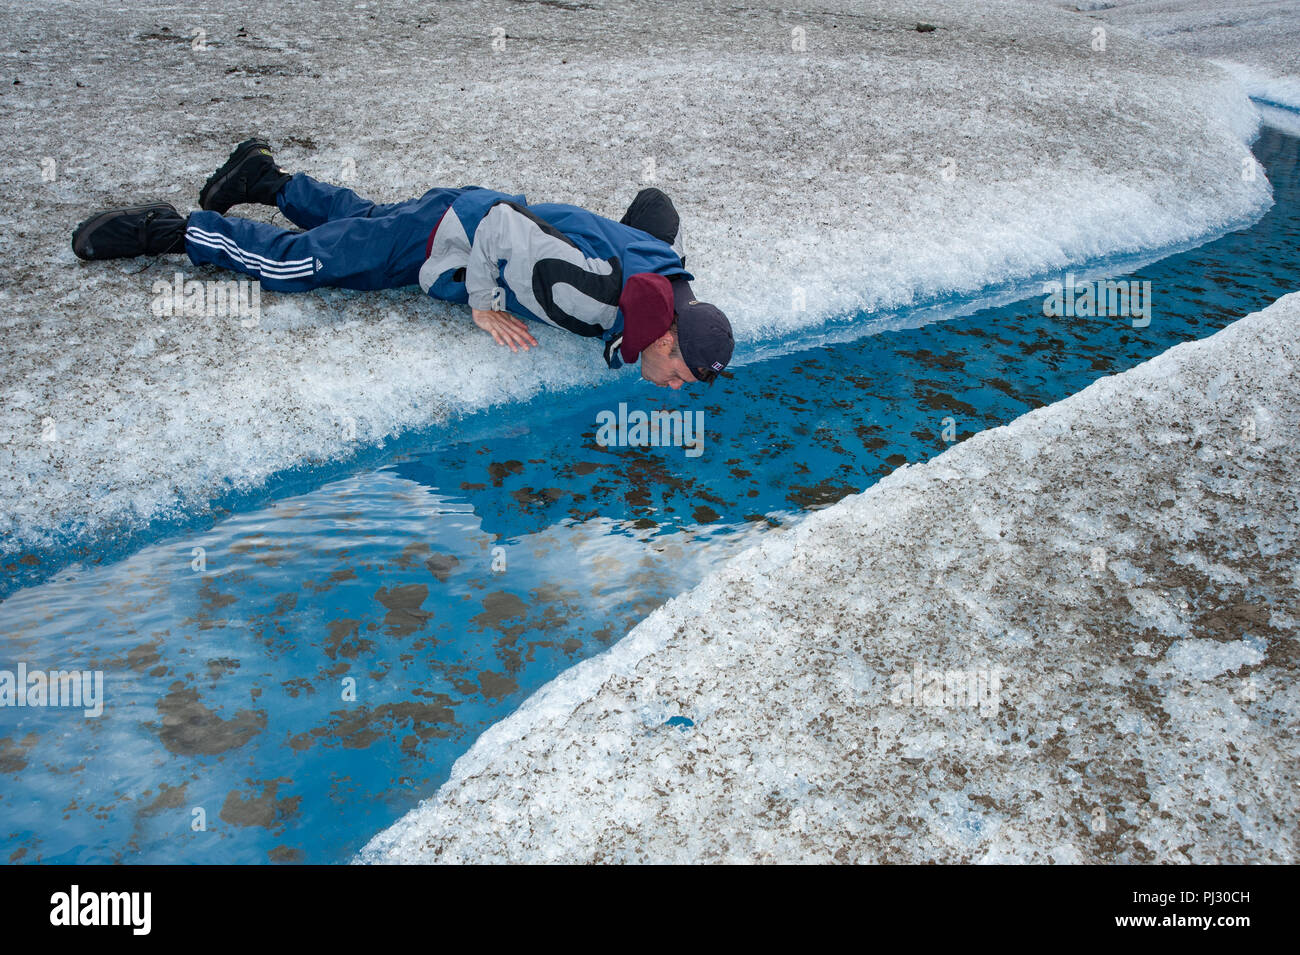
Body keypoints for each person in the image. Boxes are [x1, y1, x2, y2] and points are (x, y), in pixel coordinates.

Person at [72, 139, 734, 389]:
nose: (674, 383)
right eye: (678, 369)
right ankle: (168, 230)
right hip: (449, 238)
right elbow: (504, 230)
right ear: (668, 335)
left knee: (361, 225)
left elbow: (654, 207)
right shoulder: (593, 297)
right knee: (302, 265)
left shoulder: (670, 278)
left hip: (458, 213)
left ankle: (267, 180)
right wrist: (481, 302)